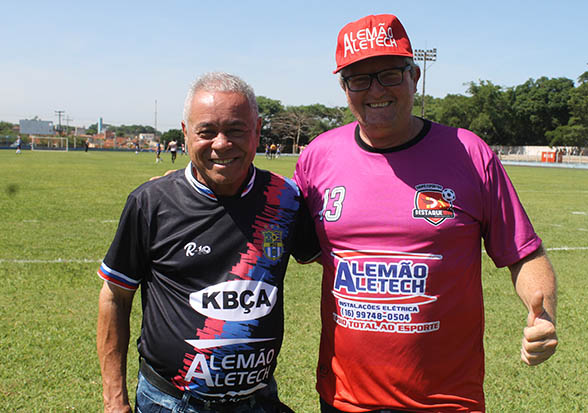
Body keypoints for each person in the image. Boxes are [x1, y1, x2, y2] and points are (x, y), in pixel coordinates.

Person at [293, 14, 558, 412]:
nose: (375, 90)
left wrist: (545, 317)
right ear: (344, 88)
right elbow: (286, 229)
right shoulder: (318, 156)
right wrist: (185, 183)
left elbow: (524, 254)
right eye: (358, 79)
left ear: (415, 75)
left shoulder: (470, 154)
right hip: (343, 400)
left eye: (388, 74)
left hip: (446, 401)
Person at [97, 72, 318, 413]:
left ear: (257, 131)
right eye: (207, 131)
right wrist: (114, 401)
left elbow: (340, 255)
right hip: (169, 403)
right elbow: (115, 296)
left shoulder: (285, 200)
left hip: (257, 401)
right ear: (185, 134)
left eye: (235, 130)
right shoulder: (151, 202)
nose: (221, 143)